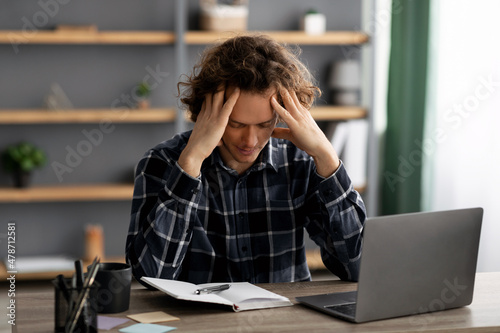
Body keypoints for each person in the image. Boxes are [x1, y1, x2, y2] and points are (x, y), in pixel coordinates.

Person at [126, 34, 366, 285]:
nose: (250, 141)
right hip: (200, 322)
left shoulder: (301, 163)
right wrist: (190, 163)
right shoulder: (161, 163)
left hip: (284, 320)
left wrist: (327, 157)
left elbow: (357, 267)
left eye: (264, 124)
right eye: (236, 124)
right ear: (207, 111)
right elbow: (149, 277)